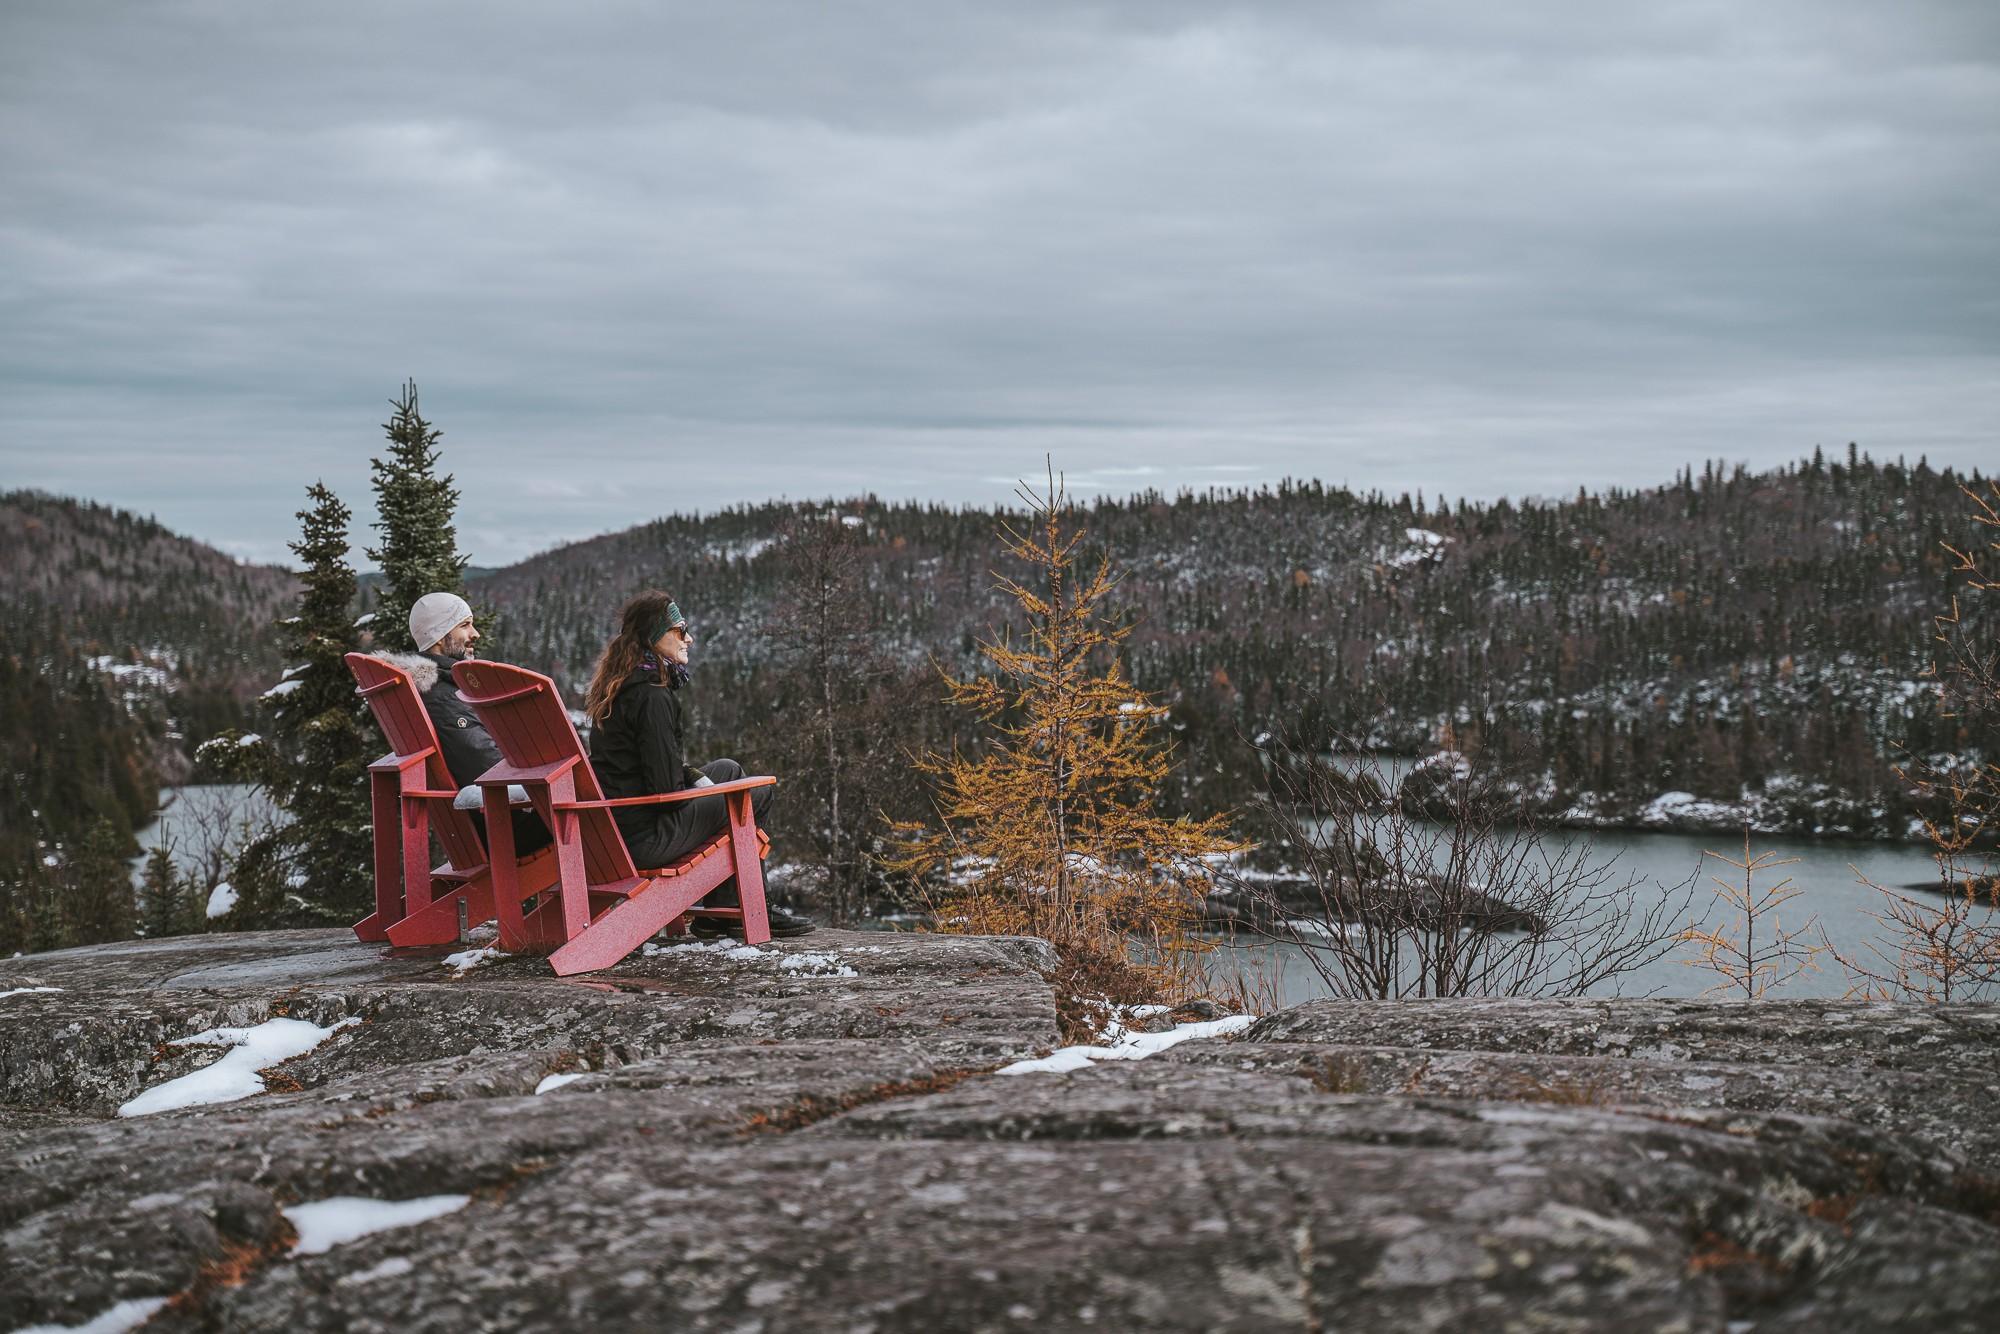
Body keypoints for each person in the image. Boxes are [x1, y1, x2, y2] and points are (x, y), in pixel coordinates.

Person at [583, 589, 814, 938]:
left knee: (727, 770)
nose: (688, 638)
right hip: (646, 839)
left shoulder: (621, 688)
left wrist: (697, 777)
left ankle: (723, 913)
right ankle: (748, 907)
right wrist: (708, 792)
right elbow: (664, 789)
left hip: (616, 831)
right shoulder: (652, 696)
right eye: (679, 629)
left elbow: (645, 766)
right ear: (653, 636)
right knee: (754, 794)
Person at [383, 591, 552, 855]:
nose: (475, 634)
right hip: (505, 826)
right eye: (464, 625)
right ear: (439, 635)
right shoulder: (441, 697)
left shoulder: (437, 689)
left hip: (480, 823)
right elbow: (482, 763)